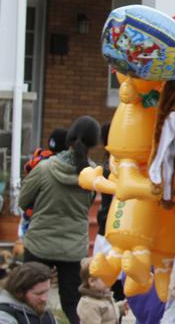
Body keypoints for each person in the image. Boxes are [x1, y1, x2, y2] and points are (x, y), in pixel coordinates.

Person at [18, 116, 99, 324]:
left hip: (39, 244)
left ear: (70, 137)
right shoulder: (93, 176)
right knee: (73, 305)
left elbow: (22, 201)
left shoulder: (44, 169)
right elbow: (87, 205)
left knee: (27, 300)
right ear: (94, 142)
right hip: (73, 249)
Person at [76, 258, 126, 324]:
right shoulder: (89, 305)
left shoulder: (104, 296)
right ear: (92, 281)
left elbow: (107, 313)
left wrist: (120, 307)